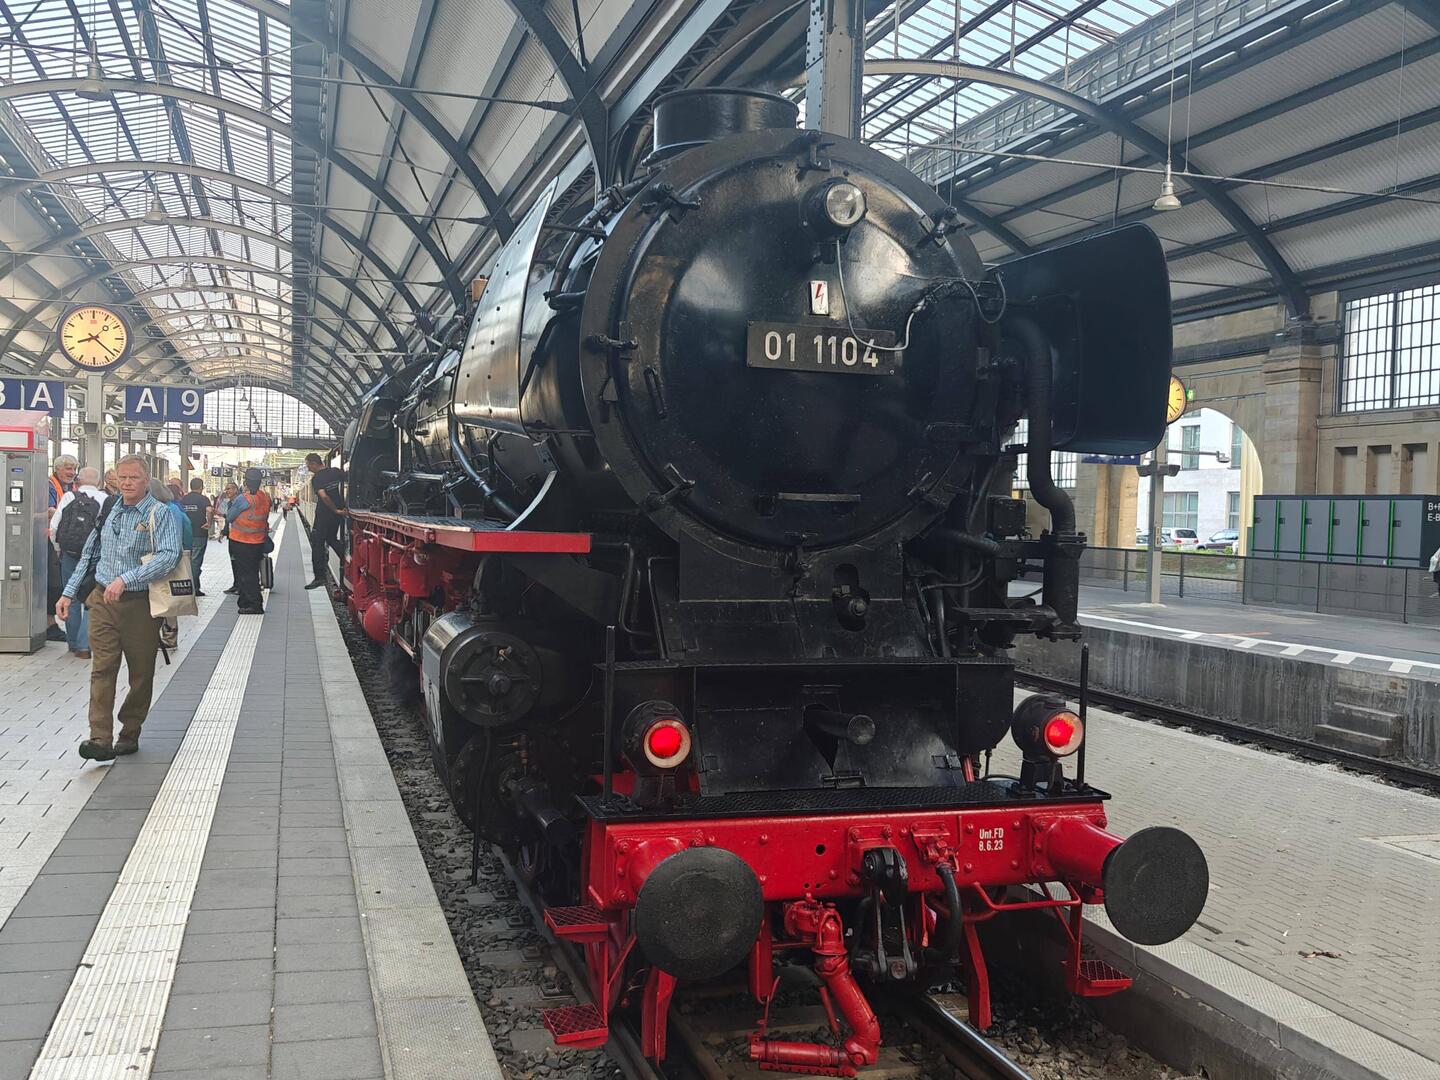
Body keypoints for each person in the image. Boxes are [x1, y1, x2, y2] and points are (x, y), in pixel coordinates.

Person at [56, 455, 180, 761]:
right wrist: (68, 593)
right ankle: (100, 738)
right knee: (102, 668)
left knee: (141, 673)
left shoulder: (159, 513)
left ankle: (130, 731)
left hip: (140, 605)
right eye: (122, 477)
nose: (126, 483)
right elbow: (89, 554)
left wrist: (127, 579)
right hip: (102, 601)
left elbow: (169, 555)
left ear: (146, 480)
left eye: (133, 478)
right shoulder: (110, 508)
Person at [53, 466, 109, 659]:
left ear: (78, 481)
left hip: (70, 553)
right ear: (99, 482)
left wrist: (59, 549)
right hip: (95, 556)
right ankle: (85, 646)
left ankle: (73, 643)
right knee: (92, 598)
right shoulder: (105, 499)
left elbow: (55, 526)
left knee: (71, 596)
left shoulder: (69, 497)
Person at [227, 468, 271, 615]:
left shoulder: (244, 499)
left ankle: (254, 605)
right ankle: (246, 602)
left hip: (242, 541)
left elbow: (229, 517)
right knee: (252, 572)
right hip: (258, 541)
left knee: (246, 574)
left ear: (246, 481)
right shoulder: (264, 497)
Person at [45, 455, 79, 642]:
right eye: (67, 468)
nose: (71, 472)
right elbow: (49, 510)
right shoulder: (50, 486)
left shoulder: (72, 488)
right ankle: (49, 624)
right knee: (54, 583)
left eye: (73, 469)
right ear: (57, 469)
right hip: (48, 541)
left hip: (62, 541)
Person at [304, 453, 346, 590]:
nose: (308, 468)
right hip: (337, 515)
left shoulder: (317, 478)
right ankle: (347, 559)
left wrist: (335, 510)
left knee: (317, 542)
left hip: (324, 514)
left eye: (308, 465)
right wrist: (339, 509)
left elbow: (324, 497)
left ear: (314, 463)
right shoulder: (335, 472)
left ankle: (319, 578)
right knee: (331, 538)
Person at [180, 479, 213, 597]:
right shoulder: (204, 499)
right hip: (199, 533)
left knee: (186, 560)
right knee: (196, 561)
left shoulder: (183, 499)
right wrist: (209, 523)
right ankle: (195, 587)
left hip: (185, 534)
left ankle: (186, 586)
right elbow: (209, 510)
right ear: (201, 487)